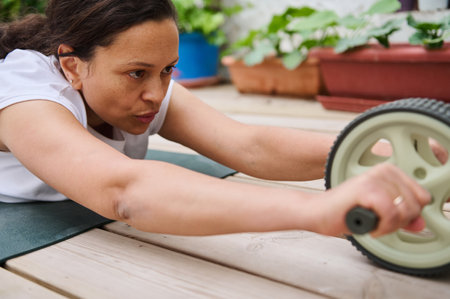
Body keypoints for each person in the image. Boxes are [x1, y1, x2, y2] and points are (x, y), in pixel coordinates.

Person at [0, 0, 431, 238]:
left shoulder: (143, 87)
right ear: (73, 66)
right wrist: (318, 210)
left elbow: (249, 146)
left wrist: (399, 152)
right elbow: (124, 190)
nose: (158, 92)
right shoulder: (25, 95)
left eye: (168, 69)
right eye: (137, 73)